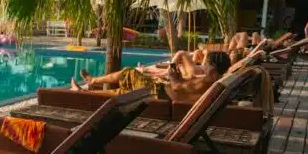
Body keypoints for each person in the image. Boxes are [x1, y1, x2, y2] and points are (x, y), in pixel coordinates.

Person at [73, 50, 232, 102]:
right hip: (161, 92)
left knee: (127, 72)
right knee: (122, 93)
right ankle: (86, 92)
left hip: (158, 94)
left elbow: (177, 87)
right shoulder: (212, 82)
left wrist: (172, 76)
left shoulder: (206, 82)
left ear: (213, 67)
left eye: (207, 62)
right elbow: (184, 88)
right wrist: (175, 77)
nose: (203, 64)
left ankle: (92, 82)